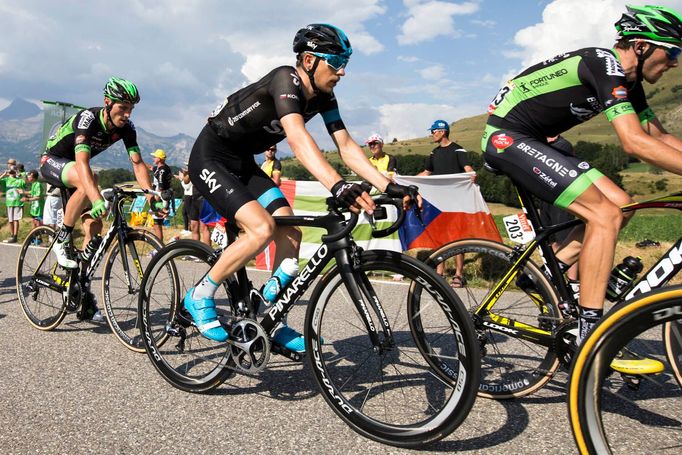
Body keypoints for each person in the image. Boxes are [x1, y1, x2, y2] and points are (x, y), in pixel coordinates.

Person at [186, 23, 419, 351]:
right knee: (261, 228)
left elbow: (347, 146)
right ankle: (200, 294)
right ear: (309, 60)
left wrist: (389, 184)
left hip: (242, 163)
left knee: (291, 231)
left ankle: (271, 317)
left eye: (345, 65)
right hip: (211, 156)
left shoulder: (325, 96)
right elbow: (297, 139)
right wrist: (338, 186)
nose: (342, 72)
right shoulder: (286, 80)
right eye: (336, 63)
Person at [482, 5, 682, 353]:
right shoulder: (603, 64)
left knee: (623, 204)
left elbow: (660, 137)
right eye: (672, 52)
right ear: (641, 45)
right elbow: (634, 142)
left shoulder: (629, 82)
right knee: (603, 215)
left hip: (537, 140)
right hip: (506, 137)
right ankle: (591, 333)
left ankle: (553, 274)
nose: (676, 63)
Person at [40, 76, 154, 321]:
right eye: (122, 108)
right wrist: (96, 196)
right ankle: (61, 239)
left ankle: (80, 291)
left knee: (94, 226)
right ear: (107, 103)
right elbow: (81, 163)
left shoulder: (127, 128)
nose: (126, 114)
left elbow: (137, 163)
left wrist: (150, 193)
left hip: (78, 173)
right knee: (88, 177)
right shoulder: (88, 119)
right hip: (53, 162)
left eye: (131, 109)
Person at [418, 119, 476, 287]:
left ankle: (459, 274)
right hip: (439, 202)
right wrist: (406, 181)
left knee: (458, 238)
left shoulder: (458, 150)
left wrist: (472, 174)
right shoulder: (433, 153)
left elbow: (467, 169)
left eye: (434, 131)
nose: (432, 134)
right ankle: (439, 273)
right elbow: (426, 172)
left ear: (442, 132)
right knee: (439, 237)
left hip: (457, 202)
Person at [147, 148, 173, 242]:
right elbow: (150, 167)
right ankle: (159, 245)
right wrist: (138, 162)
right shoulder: (162, 168)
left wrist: (155, 201)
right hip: (163, 196)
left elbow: (160, 188)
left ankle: (159, 246)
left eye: (155, 157)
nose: (153, 158)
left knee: (157, 224)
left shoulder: (162, 171)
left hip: (160, 197)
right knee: (156, 223)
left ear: (160, 159)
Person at [0, 167, 26, 243]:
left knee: (15, 219)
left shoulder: (19, 180)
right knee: (10, 220)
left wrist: (20, 175)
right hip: (9, 202)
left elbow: (25, 182)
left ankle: (15, 236)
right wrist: (4, 174)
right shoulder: (6, 180)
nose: (12, 172)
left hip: (18, 202)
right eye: (11, 171)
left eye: (13, 171)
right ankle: (12, 235)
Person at [176, 168, 193, 236]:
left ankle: (190, 229)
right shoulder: (187, 176)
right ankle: (186, 229)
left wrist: (181, 180)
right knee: (184, 212)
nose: (184, 169)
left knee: (189, 213)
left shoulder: (190, 176)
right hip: (187, 196)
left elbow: (186, 187)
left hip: (190, 196)